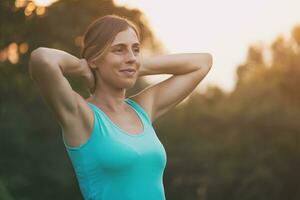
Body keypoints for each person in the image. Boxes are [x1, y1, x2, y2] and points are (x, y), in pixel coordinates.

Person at [29, 14, 213, 200]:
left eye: (136, 49)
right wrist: (83, 68)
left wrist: (135, 65)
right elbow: (42, 59)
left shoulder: (143, 107)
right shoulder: (81, 116)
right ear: (94, 58)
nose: (131, 57)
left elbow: (203, 63)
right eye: (119, 50)